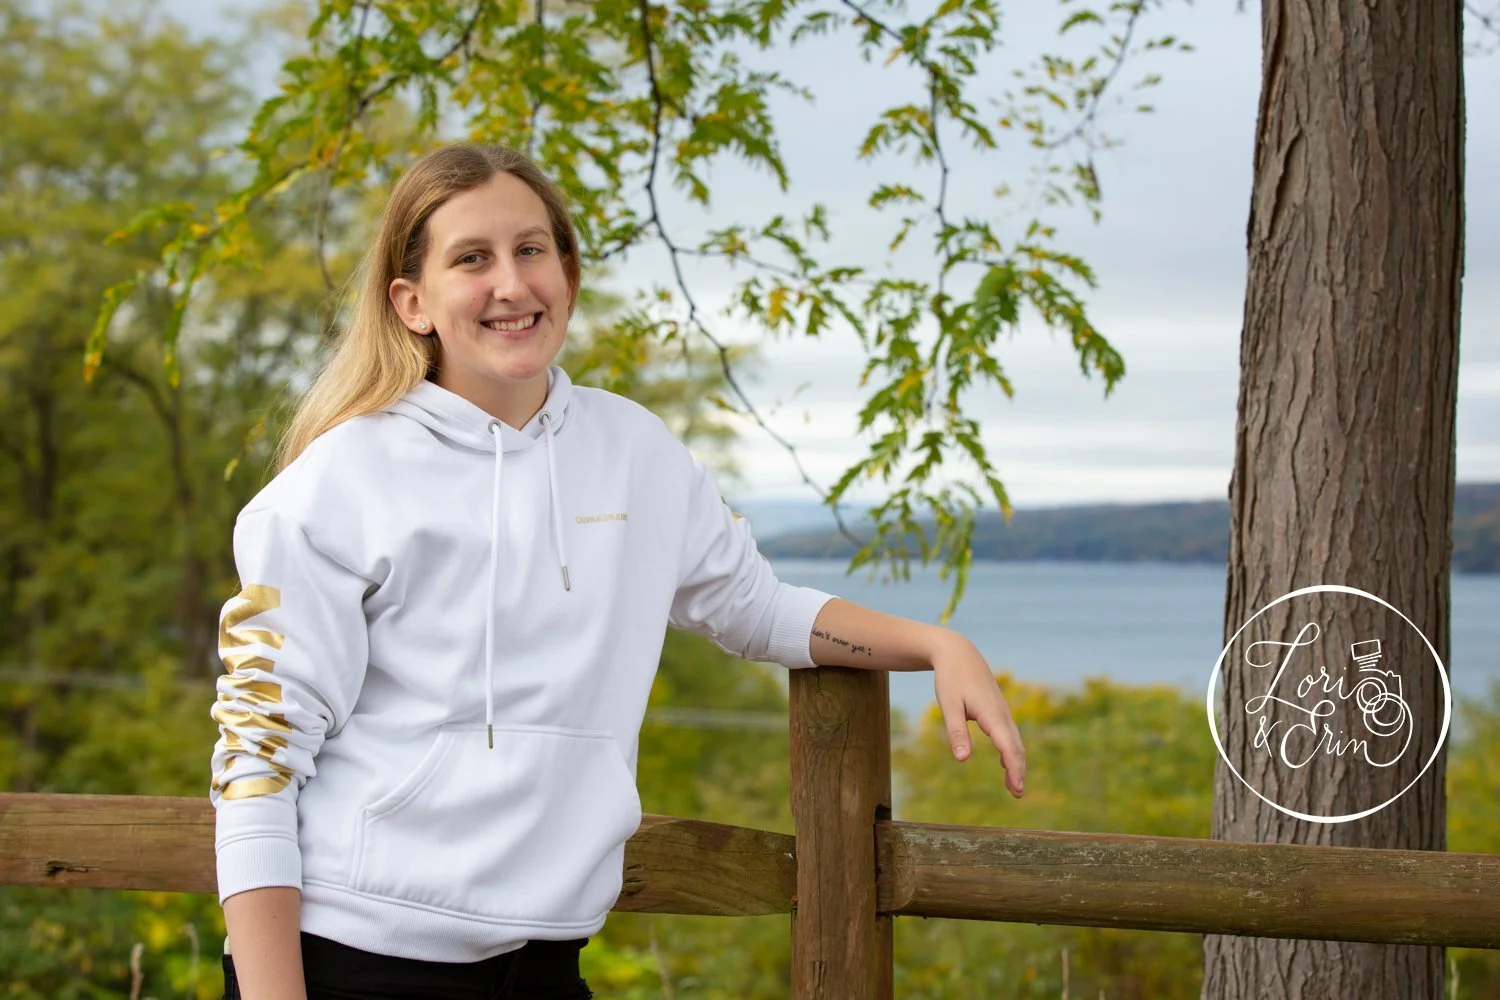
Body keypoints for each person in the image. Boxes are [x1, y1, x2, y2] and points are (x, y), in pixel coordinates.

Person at [211, 142, 1027, 1000]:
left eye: (531, 249)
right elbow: (257, 761)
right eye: (472, 259)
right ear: (412, 302)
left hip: (544, 962)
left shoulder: (635, 451)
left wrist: (936, 644)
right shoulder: (336, 484)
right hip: (348, 958)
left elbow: (756, 609)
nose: (511, 284)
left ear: (567, 273)